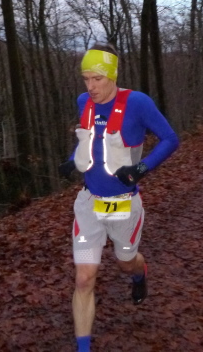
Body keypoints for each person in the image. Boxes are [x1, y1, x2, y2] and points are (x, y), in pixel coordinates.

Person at [59, 43, 179, 352]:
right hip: (89, 204)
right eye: (86, 78)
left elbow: (170, 138)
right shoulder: (84, 102)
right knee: (84, 278)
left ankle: (139, 274)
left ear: (112, 75)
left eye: (97, 78)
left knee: (126, 263)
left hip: (124, 204)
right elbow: (90, 141)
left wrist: (141, 168)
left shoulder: (137, 103)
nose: (91, 86)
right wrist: (72, 161)